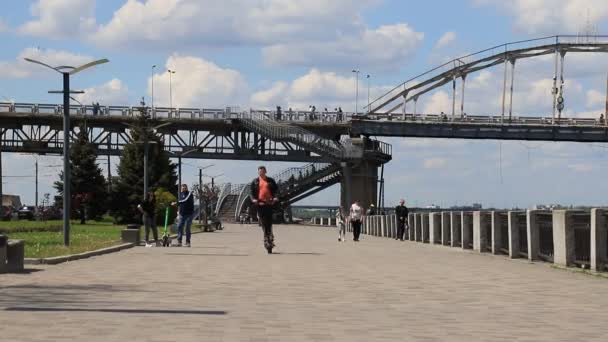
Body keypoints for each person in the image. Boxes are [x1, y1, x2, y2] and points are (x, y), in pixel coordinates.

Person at [250, 165, 279, 253]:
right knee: (263, 222)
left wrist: (276, 198)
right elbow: (251, 192)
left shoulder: (270, 181)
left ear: (265, 172)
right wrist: (253, 199)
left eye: (262, 171)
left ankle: (269, 236)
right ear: (258, 172)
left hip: (269, 203)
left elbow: (277, 190)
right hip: (260, 204)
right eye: (259, 171)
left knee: (269, 222)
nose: (261, 173)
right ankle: (267, 237)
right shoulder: (255, 181)